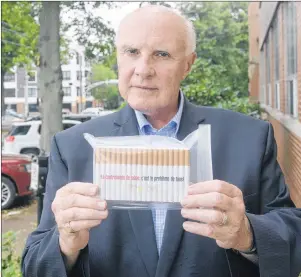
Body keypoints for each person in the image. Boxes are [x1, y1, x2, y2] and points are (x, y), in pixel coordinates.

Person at [22, 5, 301, 277]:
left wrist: (246, 233)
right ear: (118, 57)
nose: (143, 69)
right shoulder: (72, 147)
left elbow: (294, 239)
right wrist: (65, 244)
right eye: (132, 52)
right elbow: (34, 265)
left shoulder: (249, 138)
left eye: (162, 54)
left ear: (188, 65)